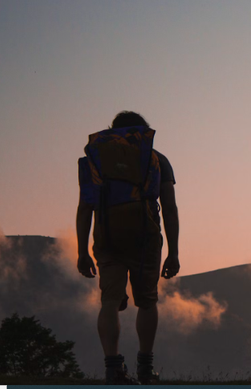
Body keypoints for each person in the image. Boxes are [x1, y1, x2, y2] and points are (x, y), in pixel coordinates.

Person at [75, 111, 180, 385]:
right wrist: (174, 251)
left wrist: (82, 250)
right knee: (146, 300)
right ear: (142, 132)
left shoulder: (97, 159)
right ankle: (145, 369)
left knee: (109, 302)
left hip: (106, 233)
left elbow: (85, 207)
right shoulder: (156, 159)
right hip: (143, 234)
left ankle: (112, 369)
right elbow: (168, 207)